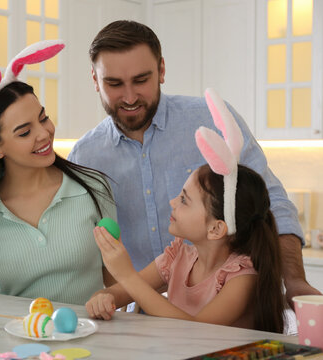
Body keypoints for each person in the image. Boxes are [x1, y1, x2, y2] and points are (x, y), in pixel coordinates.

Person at [66, 20, 320, 307]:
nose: (129, 96)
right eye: (114, 83)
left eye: (141, 80)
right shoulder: (85, 156)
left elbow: (271, 202)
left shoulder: (211, 119)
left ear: (161, 70)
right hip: (141, 318)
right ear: (94, 79)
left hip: (228, 308)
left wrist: (295, 280)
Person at [87, 98, 285, 333]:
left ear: (216, 228)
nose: (172, 202)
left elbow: (197, 331)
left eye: (183, 200)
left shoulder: (242, 277)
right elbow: (120, 293)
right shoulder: (177, 258)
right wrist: (104, 296)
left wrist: (127, 275)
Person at [0, 40, 117, 305]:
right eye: (25, 132)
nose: (44, 134)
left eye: (43, 118)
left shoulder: (94, 188)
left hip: (94, 341)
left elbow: (117, 282)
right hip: (20, 345)